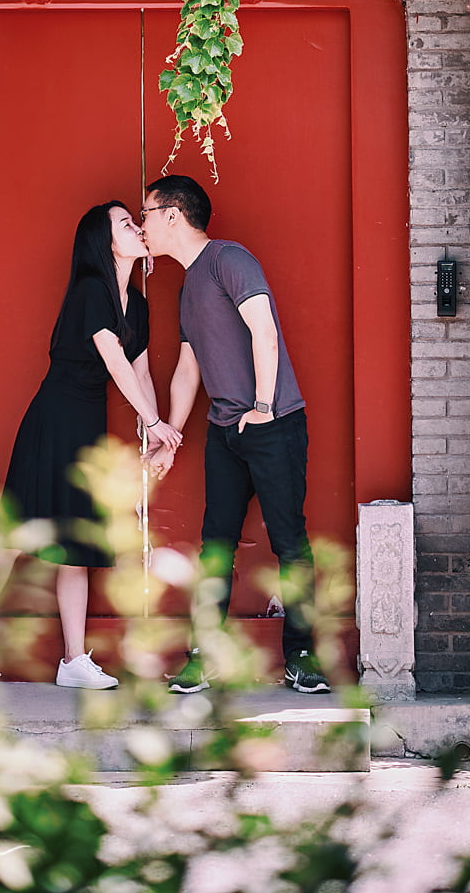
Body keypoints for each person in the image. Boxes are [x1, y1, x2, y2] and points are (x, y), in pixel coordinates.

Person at [0, 201, 181, 688]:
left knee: (77, 545)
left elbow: (139, 372)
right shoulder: (91, 290)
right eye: (126, 224)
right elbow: (112, 358)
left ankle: (73, 661)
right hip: (53, 420)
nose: (137, 229)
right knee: (13, 537)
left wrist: (156, 436)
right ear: (104, 242)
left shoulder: (137, 305)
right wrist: (155, 421)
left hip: (87, 428)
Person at [140, 175, 328, 695]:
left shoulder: (229, 259)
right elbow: (188, 368)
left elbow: (263, 330)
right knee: (215, 546)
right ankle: (204, 656)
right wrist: (171, 436)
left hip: (274, 423)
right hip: (225, 430)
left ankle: (303, 656)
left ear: (172, 215)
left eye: (147, 213)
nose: (143, 224)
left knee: (289, 541)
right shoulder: (188, 287)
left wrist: (263, 408)